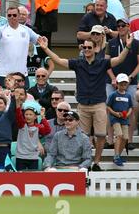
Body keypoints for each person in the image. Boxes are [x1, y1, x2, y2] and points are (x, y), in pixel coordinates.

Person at [37, 35, 132, 171]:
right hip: (83, 105)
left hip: (99, 104)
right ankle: (85, 163)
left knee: (100, 136)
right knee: (83, 136)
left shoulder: (102, 63)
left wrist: (127, 46)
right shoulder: (78, 63)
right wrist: (46, 49)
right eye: (84, 47)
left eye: (89, 47)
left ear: (95, 49)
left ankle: (97, 163)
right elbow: (58, 60)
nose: (86, 49)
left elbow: (119, 59)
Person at [0, 6, 47, 87]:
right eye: (9, 15)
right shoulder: (1, 30)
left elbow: (39, 40)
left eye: (14, 15)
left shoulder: (26, 30)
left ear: (18, 16)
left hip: (22, 74)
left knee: (22, 98)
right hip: (5, 74)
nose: (12, 17)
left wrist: (44, 39)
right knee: (6, 98)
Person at [105, 18, 139, 150]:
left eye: (123, 25)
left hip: (130, 82)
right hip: (112, 82)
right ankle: (110, 140)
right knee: (110, 110)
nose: (120, 28)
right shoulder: (111, 43)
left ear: (128, 26)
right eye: (118, 26)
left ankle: (128, 140)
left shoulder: (136, 43)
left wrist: (131, 77)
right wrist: (113, 78)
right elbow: (106, 64)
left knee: (130, 110)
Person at [14, 102, 50, 171]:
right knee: (20, 177)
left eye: (30, 114)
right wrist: (18, 104)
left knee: (33, 178)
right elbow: (18, 115)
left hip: (33, 157)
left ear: (35, 116)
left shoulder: (38, 127)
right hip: (21, 157)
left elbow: (47, 130)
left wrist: (43, 117)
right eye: (26, 114)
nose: (28, 116)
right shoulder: (22, 125)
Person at [107, 73, 133, 167]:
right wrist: (114, 113)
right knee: (119, 135)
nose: (123, 86)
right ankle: (116, 156)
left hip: (125, 119)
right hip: (115, 118)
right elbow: (108, 106)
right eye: (121, 84)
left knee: (125, 137)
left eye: (125, 84)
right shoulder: (113, 95)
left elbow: (130, 107)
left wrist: (128, 114)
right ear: (117, 84)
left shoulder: (128, 96)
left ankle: (118, 155)